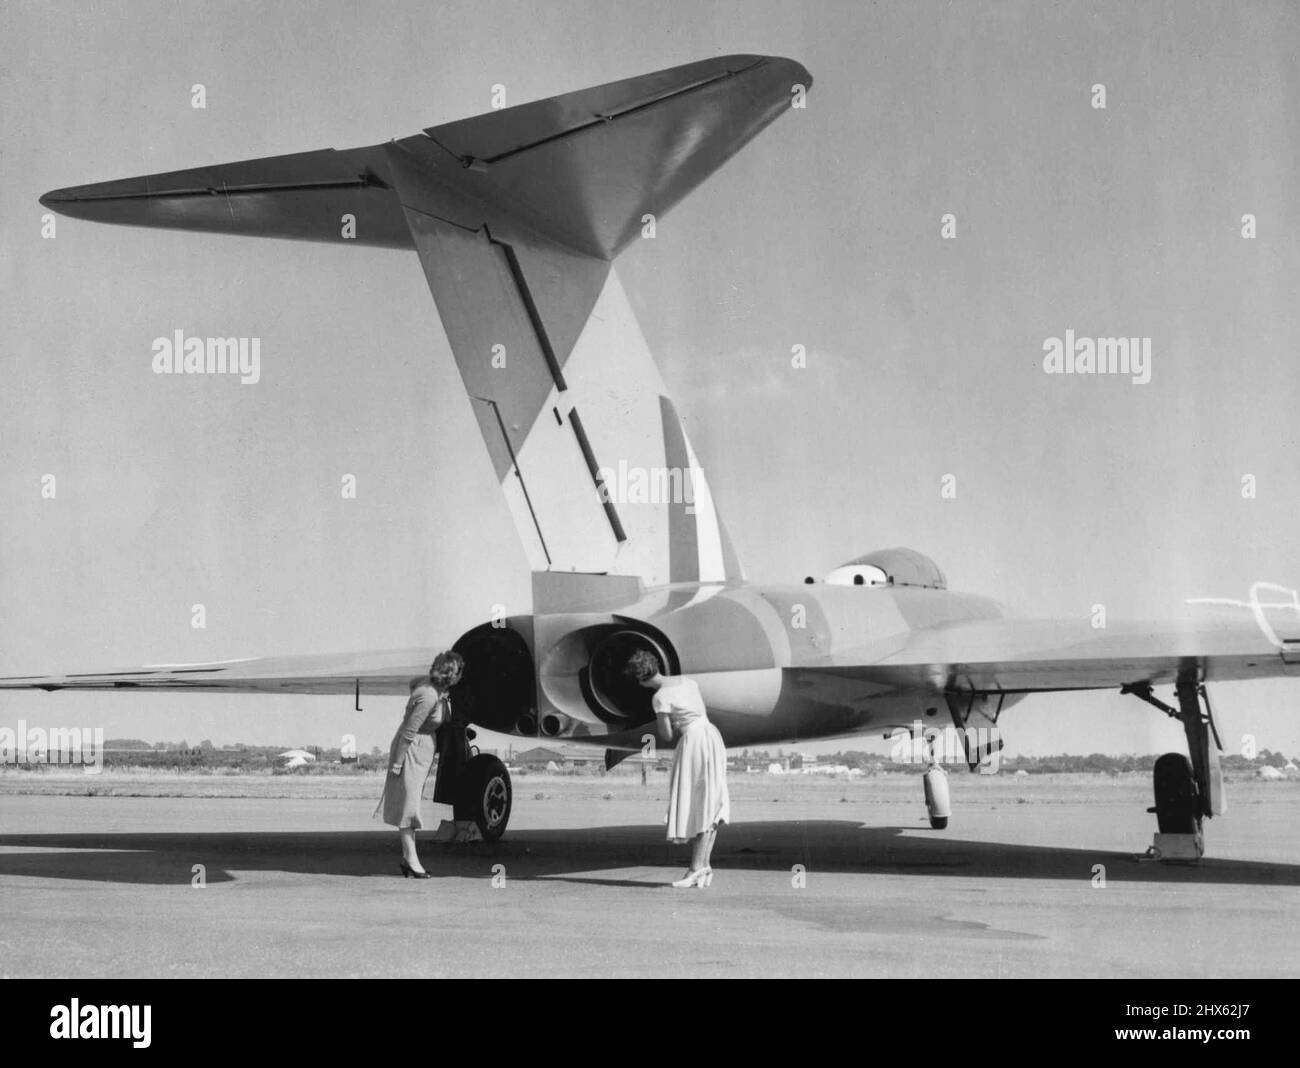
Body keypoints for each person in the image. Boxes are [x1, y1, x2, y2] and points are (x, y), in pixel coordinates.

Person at [625, 649, 730, 888]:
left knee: (697, 802)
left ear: (640, 680)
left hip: (693, 741)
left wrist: (663, 717)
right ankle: (702, 867)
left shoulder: (659, 697)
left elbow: (666, 733)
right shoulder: (688, 682)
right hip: (711, 736)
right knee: (711, 800)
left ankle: (695, 869)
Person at [375, 651, 464, 877]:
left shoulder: (433, 691)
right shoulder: (429, 696)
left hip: (422, 749)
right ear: (452, 675)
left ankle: (409, 858)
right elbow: (408, 732)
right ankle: (411, 860)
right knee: (408, 806)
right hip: (412, 750)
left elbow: (413, 683)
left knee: (410, 804)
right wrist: (397, 763)